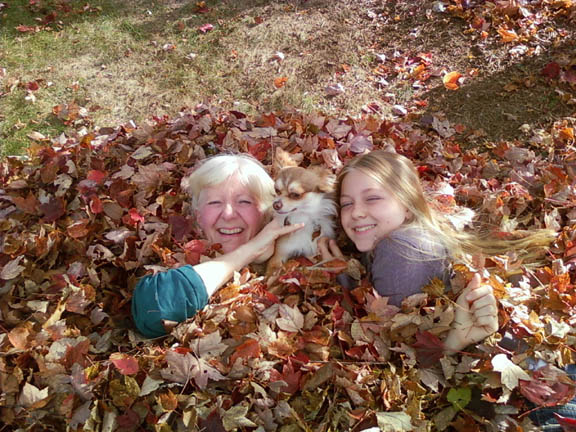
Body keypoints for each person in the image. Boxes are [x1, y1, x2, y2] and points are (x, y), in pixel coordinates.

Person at [318, 150, 554, 352]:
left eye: (372, 198)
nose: (356, 212)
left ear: (408, 206)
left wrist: (342, 282)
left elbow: (393, 353)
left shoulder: (400, 249)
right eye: (347, 203)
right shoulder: (411, 235)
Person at [131, 154, 304, 338]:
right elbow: (155, 312)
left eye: (244, 201)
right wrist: (251, 250)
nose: (228, 214)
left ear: (266, 212)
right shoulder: (180, 264)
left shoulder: (296, 270)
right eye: (215, 202)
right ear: (199, 216)